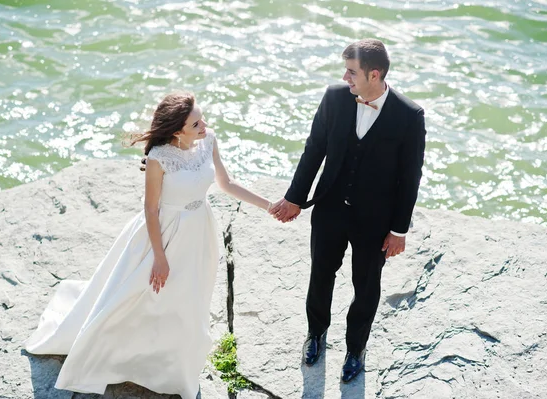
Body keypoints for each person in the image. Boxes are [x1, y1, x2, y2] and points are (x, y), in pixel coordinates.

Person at [25, 92, 272, 398]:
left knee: (188, 298)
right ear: (177, 131)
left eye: (202, 118)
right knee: (138, 295)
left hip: (200, 231)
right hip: (163, 233)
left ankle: (176, 366)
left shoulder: (208, 140)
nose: (205, 125)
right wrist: (159, 257)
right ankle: (124, 354)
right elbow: (151, 209)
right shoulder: (158, 157)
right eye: (196, 122)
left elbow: (226, 183)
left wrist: (269, 206)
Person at [269, 39, 426, 383]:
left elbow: (410, 177)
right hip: (328, 209)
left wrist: (399, 230)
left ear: (375, 73)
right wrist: (295, 197)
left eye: (351, 71)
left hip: (375, 221)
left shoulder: (409, 115)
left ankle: (356, 348)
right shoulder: (334, 97)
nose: (345, 77)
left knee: (366, 286)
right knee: (320, 274)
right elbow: (314, 150)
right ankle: (316, 334)